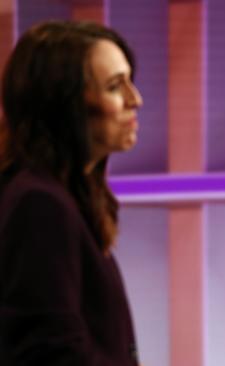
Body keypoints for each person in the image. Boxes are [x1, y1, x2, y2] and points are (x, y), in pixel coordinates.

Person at [0, 20, 142, 365]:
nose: (134, 100)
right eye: (114, 86)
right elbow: (50, 352)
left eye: (129, 82)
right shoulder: (39, 203)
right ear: (64, 105)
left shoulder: (58, 196)